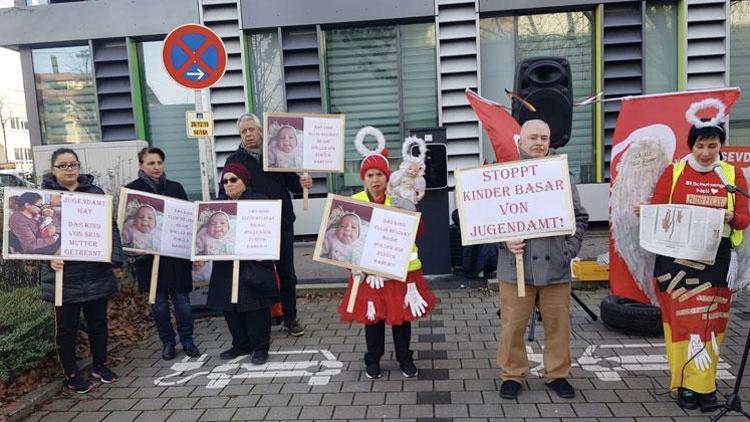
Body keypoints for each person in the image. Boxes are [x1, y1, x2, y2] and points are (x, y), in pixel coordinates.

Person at [639, 118, 748, 412]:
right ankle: (685, 385)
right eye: (700, 145)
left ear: (720, 146)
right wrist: (645, 212)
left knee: (709, 324)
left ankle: (705, 386)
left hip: (716, 261)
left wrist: (730, 218)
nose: (705, 152)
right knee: (683, 324)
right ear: (692, 145)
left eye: (712, 145)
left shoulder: (731, 174)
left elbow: (744, 218)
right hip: (675, 264)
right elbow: (658, 209)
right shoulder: (674, 173)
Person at [496, 120, 589, 400]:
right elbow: (484, 222)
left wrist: (568, 249)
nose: (539, 142)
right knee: (512, 326)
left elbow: (580, 217)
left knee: (558, 325)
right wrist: (504, 240)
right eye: (533, 137)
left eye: (544, 138)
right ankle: (512, 374)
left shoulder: (563, 174)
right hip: (516, 268)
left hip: (555, 267)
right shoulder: (502, 176)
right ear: (520, 142)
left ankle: (557, 374)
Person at [337, 126, 437, 379]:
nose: (375, 179)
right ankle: (373, 360)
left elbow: (419, 231)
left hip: (400, 270)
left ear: (387, 176)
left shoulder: (400, 198)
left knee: (401, 318)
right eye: (369, 174)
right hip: (368, 273)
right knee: (373, 318)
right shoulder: (355, 202)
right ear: (363, 178)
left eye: (379, 174)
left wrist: (411, 210)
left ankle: (405, 358)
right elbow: (343, 238)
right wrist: (350, 262)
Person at [41, 148, 124, 394]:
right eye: (63, 165)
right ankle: (72, 373)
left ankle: (100, 365)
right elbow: (31, 239)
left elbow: (111, 229)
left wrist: (115, 259)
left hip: (96, 272)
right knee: (67, 328)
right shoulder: (43, 197)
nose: (69, 169)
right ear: (53, 169)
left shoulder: (95, 194)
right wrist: (47, 260)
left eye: (73, 164)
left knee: (98, 323)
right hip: (63, 275)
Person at [224, 113, 312, 336]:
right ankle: (267, 315)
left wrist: (303, 183)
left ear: (261, 130)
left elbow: (293, 185)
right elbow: (225, 192)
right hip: (253, 226)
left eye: (251, 129)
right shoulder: (234, 161)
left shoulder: (278, 155)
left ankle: (290, 317)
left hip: (282, 222)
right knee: (259, 272)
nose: (248, 135)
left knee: (286, 271)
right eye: (243, 131)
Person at [124, 147, 199, 361]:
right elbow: (126, 226)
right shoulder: (133, 191)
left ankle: (187, 340)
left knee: (182, 302)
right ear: (141, 165)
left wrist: (191, 251)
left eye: (159, 163)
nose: (156, 167)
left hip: (176, 258)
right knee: (158, 305)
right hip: (148, 262)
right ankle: (167, 342)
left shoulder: (175, 188)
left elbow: (187, 221)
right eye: (151, 163)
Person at [208, 163, 279, 363]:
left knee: (256, 307)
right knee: (230, 307)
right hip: (226, 266)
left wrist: (265, 250)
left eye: (233, 180)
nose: (229, 184)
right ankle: (240, 344)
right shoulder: (217, 205)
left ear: (244, 181)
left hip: (255, 263)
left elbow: (271, 230)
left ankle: (260, 348)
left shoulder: (260, 202)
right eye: (225, 181)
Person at [388, 136, 427, 211]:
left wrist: (420, 195)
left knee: (409, 207)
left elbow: (421, 190)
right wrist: (389, 190)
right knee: (396, 202)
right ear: (405, 167)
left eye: (415, 171)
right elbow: (391, 182)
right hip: (399, 191)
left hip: (409, 194)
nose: (412, 172)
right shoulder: (400, 175)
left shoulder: (418, 180)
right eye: (410, 169)